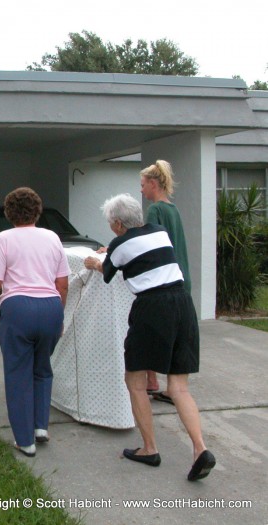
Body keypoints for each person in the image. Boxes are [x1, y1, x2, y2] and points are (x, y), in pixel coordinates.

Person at [84, 193, 215, 481]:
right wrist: (112, 251)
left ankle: (149, 448)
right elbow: (138, 254)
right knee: (179, 387)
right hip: (183, 303)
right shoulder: (159, 232)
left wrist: (95, 261)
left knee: (135, 379)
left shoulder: (119, 244)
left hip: (153, 308)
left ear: (118, 223)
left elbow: (106, 270)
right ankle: (200, 449)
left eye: (111, 223)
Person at [0, 187, 69, 458]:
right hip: (50, 307)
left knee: (18, 374)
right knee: (42, 368)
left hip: (18, 309)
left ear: (8, 213)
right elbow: (62, 285)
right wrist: (58, 316)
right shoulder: (52, 238)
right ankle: (40, 426)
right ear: (37, 211)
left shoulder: (4, 238)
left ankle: (25, 440)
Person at [140, 160, 191, 404]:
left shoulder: (155, 210)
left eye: (142, 185)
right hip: (183, 278)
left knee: (148, 330)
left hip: (164, 283)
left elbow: (151, 245)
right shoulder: (174, 209)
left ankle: (151, 380)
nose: (141, 190)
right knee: (178, 336)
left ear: (152, 184)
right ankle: (174, 388)